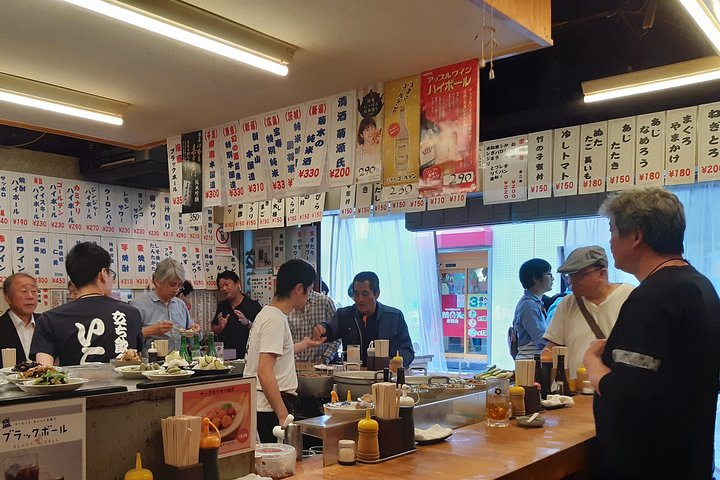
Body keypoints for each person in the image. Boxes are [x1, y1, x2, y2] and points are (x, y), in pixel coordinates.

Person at [583, 187, 720, 480]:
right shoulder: (701, 286)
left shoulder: (652, 297)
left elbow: (626, 393)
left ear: (636, 236)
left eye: (612, 231)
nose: (610, 241)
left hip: (648, 464)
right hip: (689, 457)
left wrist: (592, 361)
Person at [244, 259, 326, 442]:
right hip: (270, 407)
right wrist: (282, 414)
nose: (309, 296)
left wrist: (304, 344)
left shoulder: (268, 313)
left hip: (265, 404)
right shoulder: (275, 320)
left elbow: (276, 352)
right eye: (309, 290)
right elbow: (264, 371)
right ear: (299, 288)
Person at [30, 242, 143, 366]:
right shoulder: (131, 313)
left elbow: (43, 370)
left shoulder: (49, 319)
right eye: (110, 273)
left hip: (73, 380)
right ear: (103, 274)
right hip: (124, 380)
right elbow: (136, 363)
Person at [541, 246, 634, 376]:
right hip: (575, 385)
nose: (571, 282)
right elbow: (553, 348)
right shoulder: (567, 303)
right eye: (569, 276)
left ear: (601, 274)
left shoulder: (630, 297)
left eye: (579, 275)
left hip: (617, 383)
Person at [312, 271, 415, 367]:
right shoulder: (345, 315)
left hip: (385, 374)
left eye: (365, 294)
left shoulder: (394, 317)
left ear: (377, 294)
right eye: (356, 294)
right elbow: (329, 329)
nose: (360, 299)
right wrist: (321, 328)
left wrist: (398, 361)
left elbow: (407, 349)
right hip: (354, 374)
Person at [133, 258, 200, 352]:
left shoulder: (180, 304)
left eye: (179, 285)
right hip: (153, 360)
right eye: (172, 285)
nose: (176, 289)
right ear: (157, 281)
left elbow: (191, 336)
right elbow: (128, 339)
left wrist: (194, 330)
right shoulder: (139, 305)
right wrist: (151, 330)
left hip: (180, 359)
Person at [212, 271, 262, 359]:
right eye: (221, 287)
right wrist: (220, 327)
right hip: (226, 357)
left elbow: (261, 331)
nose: (224, 289)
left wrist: (247, 323)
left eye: (227, 284)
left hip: (248, 356)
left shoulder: (253, 305)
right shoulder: (222, 306)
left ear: (237, 283)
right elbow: (214, 328)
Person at [289, 286, 340, 365]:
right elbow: (286, 340)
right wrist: (297, 361)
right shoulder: (289, 303)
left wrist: (326, 358)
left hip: (323, 366)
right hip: (294, 365)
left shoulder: (325, 302)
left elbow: (337, 333)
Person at [513, 258, 553, 359]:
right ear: (535, 278)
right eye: (549, 274)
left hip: (533, 360)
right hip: (530, 361)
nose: (552, 278)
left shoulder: (534, 303)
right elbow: (542, 339)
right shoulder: (528, 305)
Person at [0, 273, 39, 364]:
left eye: (34, 291)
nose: (30, 296)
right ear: (8, 297)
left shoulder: (46, 323)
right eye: (24, 291)